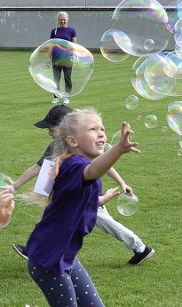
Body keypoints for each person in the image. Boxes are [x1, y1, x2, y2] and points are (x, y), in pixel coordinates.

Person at [8, 109, 139, 307]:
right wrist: (118, 149)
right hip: (48, 259)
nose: (101, 133)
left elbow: (82, 199)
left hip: (64, 256)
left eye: (102, 128)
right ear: (72, 140)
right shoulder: (74, 165)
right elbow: (91, 171)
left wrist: (105, 196)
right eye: (93, 129)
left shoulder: (81, 167)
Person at [11, 104, 155, 266]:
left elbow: (102, 164)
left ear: (63, 128)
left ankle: (140, 248)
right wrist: (18, 187)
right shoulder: (57, 147)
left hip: (85, 194)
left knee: (105, 223)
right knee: (54, 220)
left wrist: (120, 182)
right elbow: (42, 170)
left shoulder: (81, 147)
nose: (48, 132)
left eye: (51, 127)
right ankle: (36, 250)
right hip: (73, 195)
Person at [49, 11, 77, 105]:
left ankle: (66, 97)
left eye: (64, 19)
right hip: (56, 59)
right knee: (56, 79)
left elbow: (74, 45)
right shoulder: (54, 31)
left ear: (67, 19)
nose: (62, 21)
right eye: (61, 19)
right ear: (58, 20)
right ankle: (56, 97)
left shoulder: (72, 31)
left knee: (67, 78)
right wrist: (49, 58)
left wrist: (75, 56)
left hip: (68, 59)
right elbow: (51, 45)